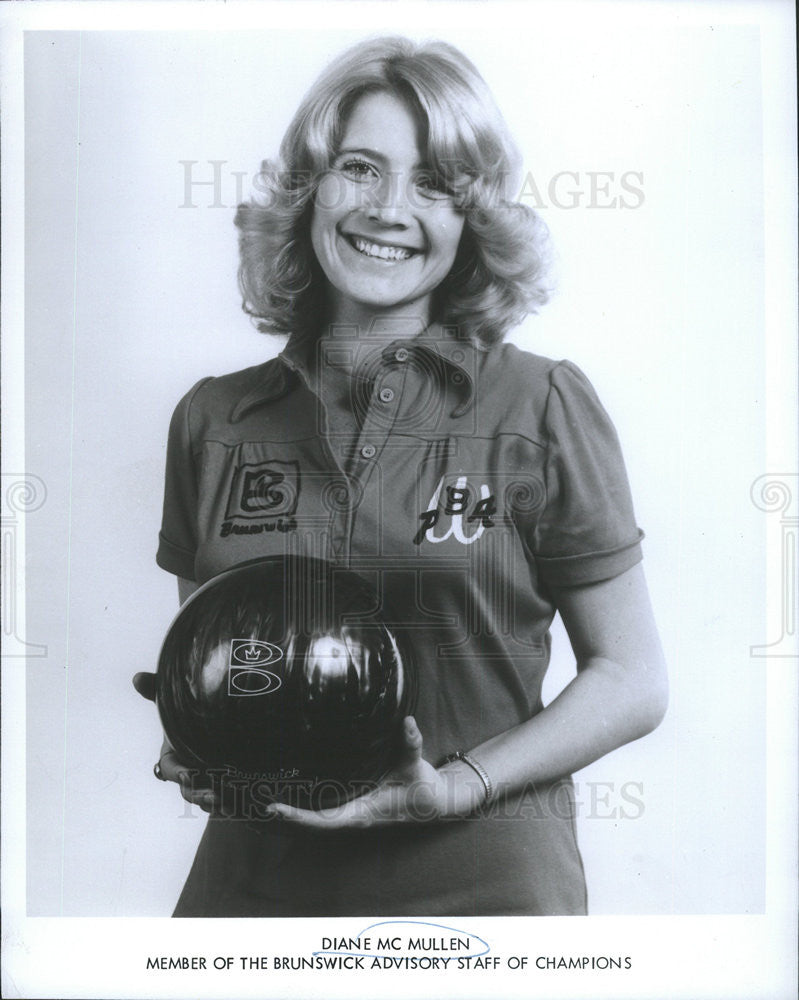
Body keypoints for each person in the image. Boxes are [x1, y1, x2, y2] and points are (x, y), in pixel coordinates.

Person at [135, 35, 668, 916]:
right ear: (308, 188)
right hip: (250, 899)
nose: (388, 208)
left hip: (484, 902)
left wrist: (459, 783)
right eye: (359, 167)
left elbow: (632, 676)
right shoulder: (214, 419)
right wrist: (198, 739)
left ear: (471, 221)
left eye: (432, 184)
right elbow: (218, 661)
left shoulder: (542, 406)